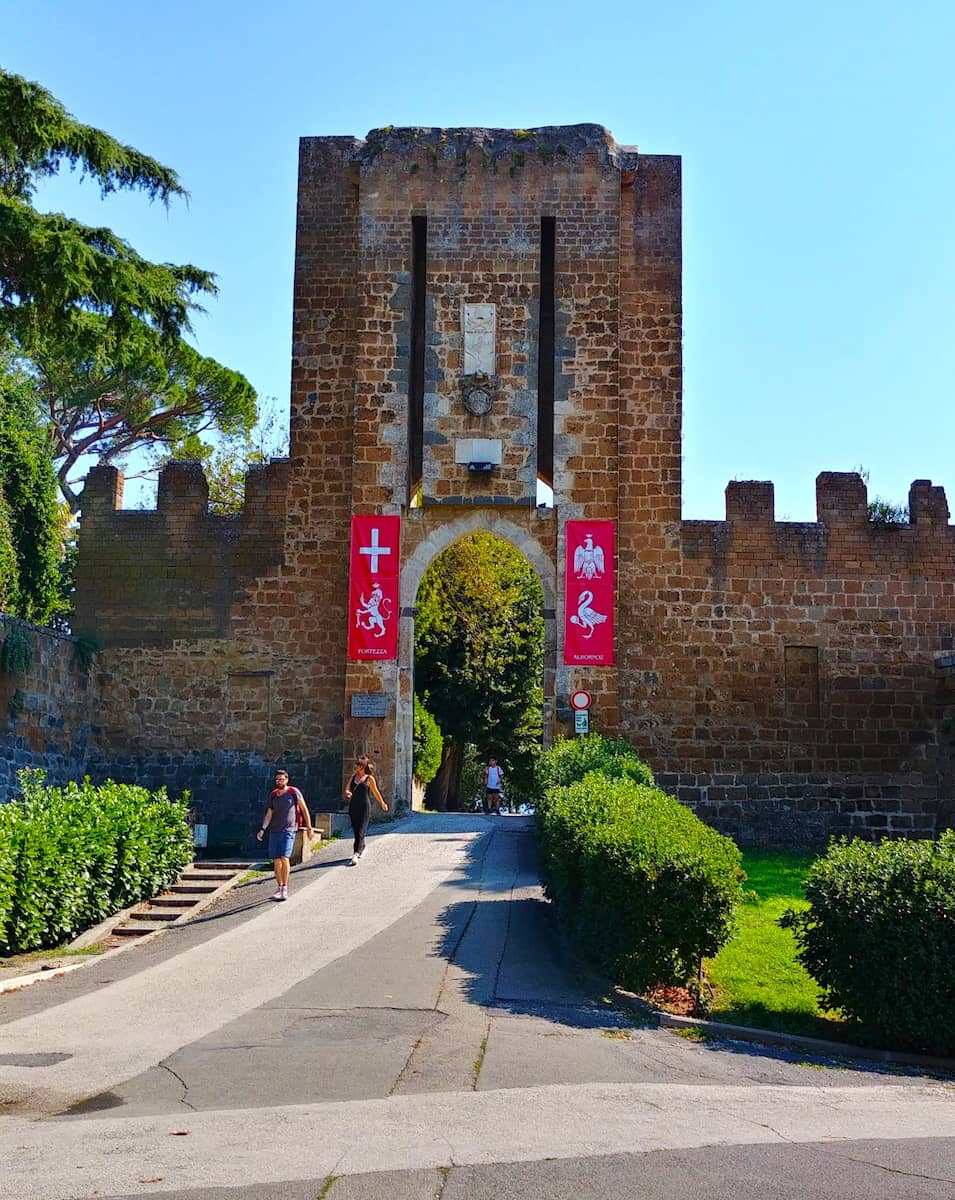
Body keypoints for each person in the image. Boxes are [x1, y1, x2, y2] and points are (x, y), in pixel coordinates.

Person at [256, 768, 313, 901]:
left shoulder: (294, 792)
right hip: (275, 831)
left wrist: (309, 827)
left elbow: (304, 809)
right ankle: (280, 886)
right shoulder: (274, 795)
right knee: (276, 860)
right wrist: (262, 829)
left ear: (287, 779)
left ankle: (285, 887)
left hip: (289, 830)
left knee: (284, 857)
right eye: (277, 779)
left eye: (282, 779)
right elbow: (269, 813)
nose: (279, 781)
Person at [343, 755, 388, 865]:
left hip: (364, 807)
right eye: (356, 764)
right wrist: (348, 793)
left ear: (363, 766)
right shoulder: (353, 777)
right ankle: (362, 846)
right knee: (356, 830)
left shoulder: (369, 779)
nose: (356, 766)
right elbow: (346, 790)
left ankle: (356, 853)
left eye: (358, 764)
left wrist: (382, 803)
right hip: (353, 807)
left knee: (361, 830)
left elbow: (376, 792)